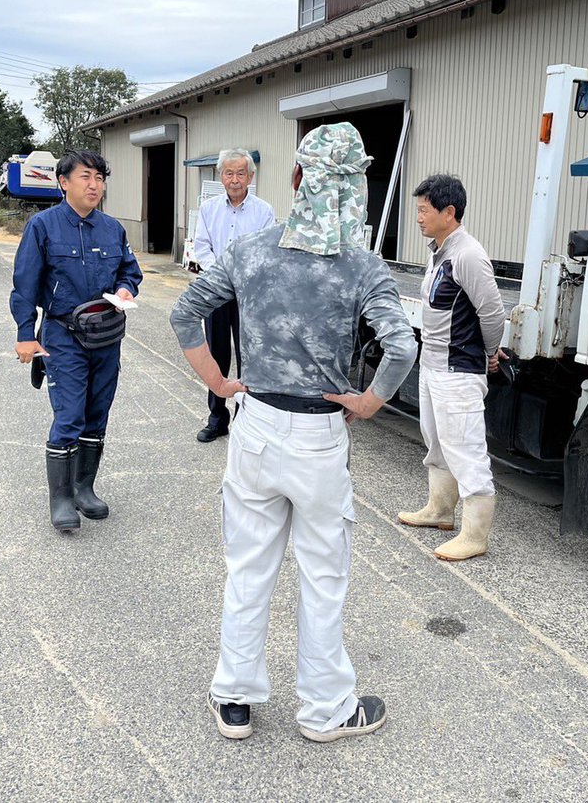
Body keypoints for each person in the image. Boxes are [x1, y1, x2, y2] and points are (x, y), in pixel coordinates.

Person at [170, 123, 417, 743]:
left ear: (298, 178)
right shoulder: (361, 265)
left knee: (249, 568)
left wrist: (221, 383)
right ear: (355, 188)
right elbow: (400, 346)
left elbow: (185, 311)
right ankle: (325, 709)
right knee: (323, 576)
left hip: (255, 426)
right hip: (319, 435)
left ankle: (234, 698)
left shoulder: (250, 250)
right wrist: (369, 402)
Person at [10, 150, 142, 532]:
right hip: (62, 335)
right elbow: (25, 284)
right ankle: (62, 498)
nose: (94, 185)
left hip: (106, 335)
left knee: (97, 414)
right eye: (86, 177)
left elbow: (130, 271)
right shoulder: (43, 226)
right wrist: (24, 334)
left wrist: (125, 288)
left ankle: (85, 489)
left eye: (99, 178)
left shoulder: (112, 228)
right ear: (63, 182)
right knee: (70, 416)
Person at [396, 175, 506, 561]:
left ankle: (475, 536)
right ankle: (440, 510)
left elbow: (492, 312)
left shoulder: (468, 255)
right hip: (432, 365)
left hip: (458, 370)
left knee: (466, 449)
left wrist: (490, 352)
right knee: (437, 442)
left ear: (449, 212)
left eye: (424, 210)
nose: (418, 217)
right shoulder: (439, 252)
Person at [191, 149, 275, 442]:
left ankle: (245, 420)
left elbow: (265, 253)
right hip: (216, 291)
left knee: (247, 356)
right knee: (216, 355)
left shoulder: (264, 211)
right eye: (229, 173)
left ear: (251, 176)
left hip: (249, 295)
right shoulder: (208, 208)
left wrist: (240, 276)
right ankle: (217, 419)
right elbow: (201, 247)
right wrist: (222, 273)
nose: (235, 179)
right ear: (221, 175)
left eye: (241, 173)